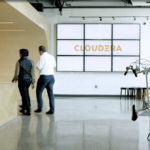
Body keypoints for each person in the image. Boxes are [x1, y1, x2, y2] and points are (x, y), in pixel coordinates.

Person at [12, 49, 35, 116]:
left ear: (21, 54)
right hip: (29, 81)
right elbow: (32, 73)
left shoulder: (19, 62)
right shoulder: (31, 61)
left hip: (22, 80)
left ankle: (28, 111)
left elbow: (17, 73)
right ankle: (24, 108)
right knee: (25, 94)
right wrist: (33, 82)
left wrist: (14, 79)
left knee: (24, 95)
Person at [35, 45, 56, 114]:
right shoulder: (51, 56)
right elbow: (54, 65)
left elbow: (39, 67)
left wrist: (37, 66)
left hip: (44, 77)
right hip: (51, 77)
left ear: (40, 51)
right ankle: (52, 110)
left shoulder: (42, 57)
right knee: (50, 93)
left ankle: (40, 108)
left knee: (39, 91)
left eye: (39, 51)